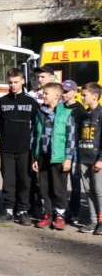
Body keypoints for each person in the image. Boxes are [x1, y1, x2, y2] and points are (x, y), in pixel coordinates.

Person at [0, 68, 38, 225]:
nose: (13, 85)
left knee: (25, 181)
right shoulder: (1, 102)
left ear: (23, 81)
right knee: (8, 181)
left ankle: (23, 211)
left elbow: (36, 127)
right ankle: (8, 210)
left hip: (25, 149)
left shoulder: (31, 102)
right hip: (6, 148)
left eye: (16, 82)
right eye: (10, 82)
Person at [32, 82, 75, 230]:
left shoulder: (66, 113)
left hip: (59, 157)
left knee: (59, 188)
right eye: (43, 93)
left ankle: (60, 216)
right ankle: (47, 215)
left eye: (46, 93)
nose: (43, 96)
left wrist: (68, 158)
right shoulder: (40, 112)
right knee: (44, 188)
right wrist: (35, 157)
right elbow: (35, 135)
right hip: (43, 156)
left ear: (57, 96)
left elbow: (70, 138)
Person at [76, 82, 102, 235]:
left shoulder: (101, 114)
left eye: (84, 95)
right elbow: (80, 137)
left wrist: (100, 159)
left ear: (95, 96)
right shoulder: (85, 115)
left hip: (96, 159)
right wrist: (78, 160)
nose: (82, 97)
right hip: (84, 158)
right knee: (89, 191)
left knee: (99, 191)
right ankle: (92, 221)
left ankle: (101, 220)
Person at [61, 80, 85, 225]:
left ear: (75, 92)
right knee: (61, 182)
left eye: (67, 91)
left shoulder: (80, 110)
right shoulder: (60, 107)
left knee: (75, 182)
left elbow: (83, 132)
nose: (64, 94)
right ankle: (62, 210)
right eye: (63, 91)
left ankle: (74, 212)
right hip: (61, 149)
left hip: (75, 150)